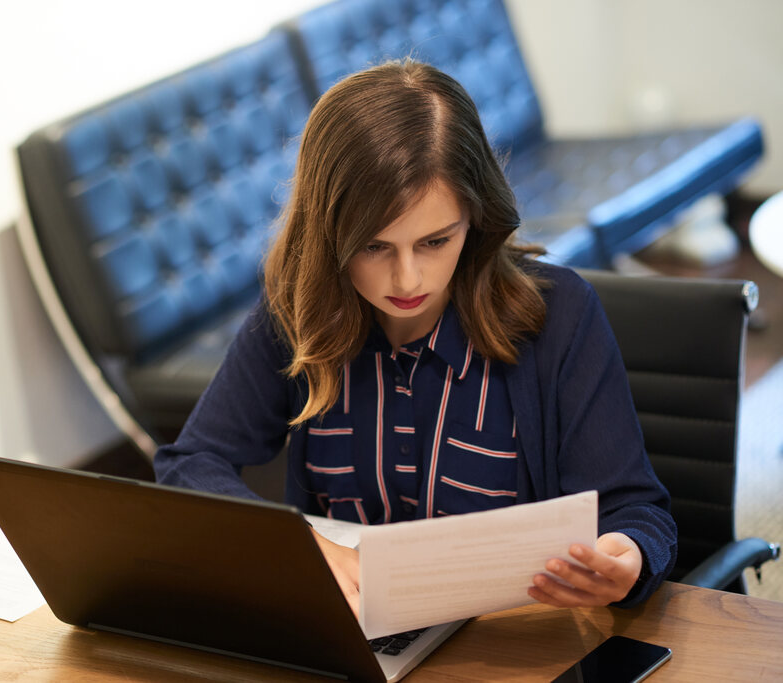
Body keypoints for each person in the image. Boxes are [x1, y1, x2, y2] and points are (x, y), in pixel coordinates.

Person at [154, 60, 677, 616]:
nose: (407, 280)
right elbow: (189, 464)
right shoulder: (297, 309)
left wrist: (626, 558)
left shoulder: (558, 315)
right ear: (328, 234)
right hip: (357, 638)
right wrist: (301, 546)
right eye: (375, 247)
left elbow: (633, 511)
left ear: (475, 219)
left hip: (512, 644)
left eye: (434, 241)